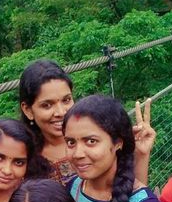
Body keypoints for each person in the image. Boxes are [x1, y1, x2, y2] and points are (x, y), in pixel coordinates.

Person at [19, 59, 154, 187]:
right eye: (47, 105)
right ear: (28, 110)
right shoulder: (20, 157)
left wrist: (141, 154)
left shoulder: (103, 139)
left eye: (66, 100)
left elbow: (133, 196)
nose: (61, 112)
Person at [63, 94, 165, 202]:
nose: (77, 154)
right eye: (71, 142)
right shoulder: (72, 188)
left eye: (91, 141)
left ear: (118, 143)